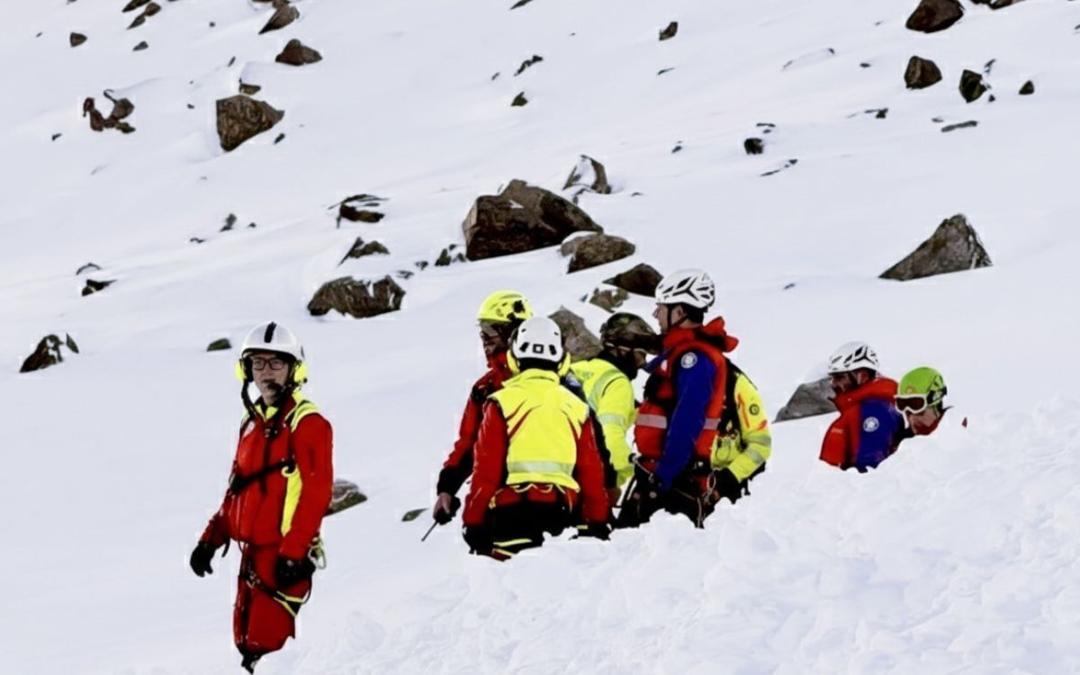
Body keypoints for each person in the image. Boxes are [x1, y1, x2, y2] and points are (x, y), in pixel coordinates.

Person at [190, 322, 334, 673]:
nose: (265, 372)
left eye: (276, 363)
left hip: (282, 557)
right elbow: (237, 487)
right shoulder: (250, 423)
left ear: (293, 369)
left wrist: (294, 553)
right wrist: (211, 538)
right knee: (246, 644)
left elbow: (316, 493)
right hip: (251, 557)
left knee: (271, 652)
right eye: (258, 363)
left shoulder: (308, 422)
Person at [617, 269, 772, 529]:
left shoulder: (694, 359)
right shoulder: (681, 355)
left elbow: (688, 420)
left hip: (673, 480)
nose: (656, 314)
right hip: (662, 474)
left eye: (661, 308)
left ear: (679, 313)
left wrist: (664, 475)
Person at [462, 317, 611, 559]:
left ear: (514, 356)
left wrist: (473, 520)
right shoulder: (576, 406)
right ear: (560, 360)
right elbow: (592, 472)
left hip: (511, 517)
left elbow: (485, 472)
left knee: (508, 592)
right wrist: (597, 519)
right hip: (563, 516)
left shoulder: (501, 402)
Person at [431, 291, 533, 527]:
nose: (484, 339)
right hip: (499, 502)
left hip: (551, 496)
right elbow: (468, 444)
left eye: (490, 331)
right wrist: (447, 488)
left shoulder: (553, 380)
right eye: (482, 332)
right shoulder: (484, 388)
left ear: (512, 333)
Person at [568, 313, 660, 503]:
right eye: (641, 354)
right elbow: (609, 438)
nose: (643, 363)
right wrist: (627, 473)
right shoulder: (617, 382)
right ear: (623, 350)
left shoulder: (576, 369)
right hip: (585, 477)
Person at [818, 341, 903, 472]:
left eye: (840, 377)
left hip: (847, 491)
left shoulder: (874, 412)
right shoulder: (858, 408)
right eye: (833, 378)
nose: (833, 384)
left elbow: (869, 471)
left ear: (862, 376)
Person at [895, 366, 960, 438]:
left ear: (936, 400)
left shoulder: (958, 437)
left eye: (916, 405)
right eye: (902, 404)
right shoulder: (897, 440)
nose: (911, 417)